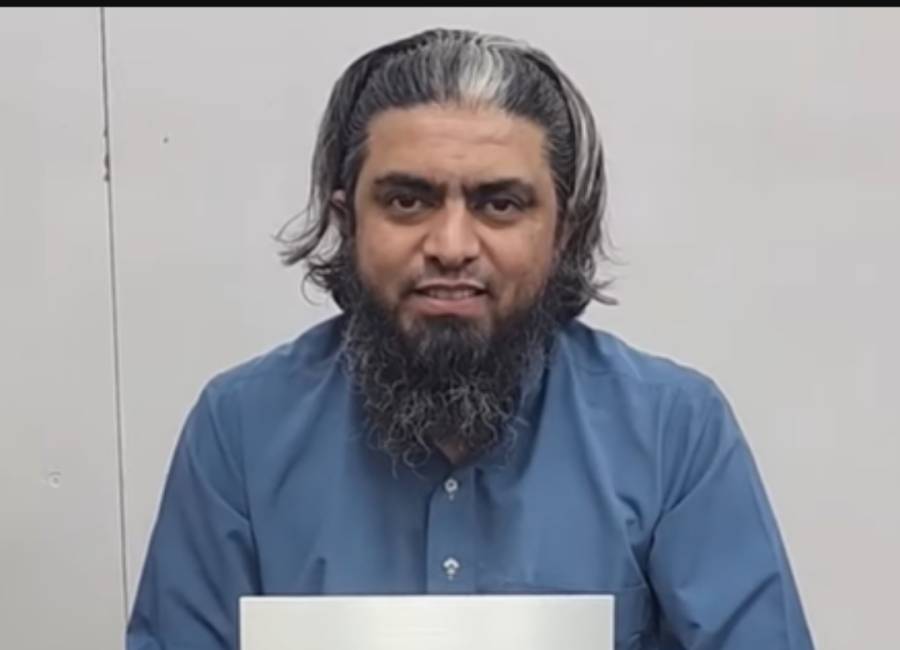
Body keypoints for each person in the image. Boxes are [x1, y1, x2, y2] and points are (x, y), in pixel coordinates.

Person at [126, 28, 815, 650]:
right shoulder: (241, 430)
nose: (451, 245)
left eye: (500, 204)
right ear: (348, 222)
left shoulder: (674, 430)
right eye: (407, 201)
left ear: (564, 232)